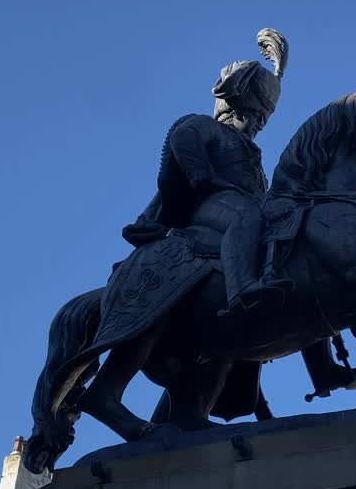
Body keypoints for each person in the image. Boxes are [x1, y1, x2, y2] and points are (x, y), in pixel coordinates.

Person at [122, 29, 290, 314]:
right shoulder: (207, 126)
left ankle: (321, 357)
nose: (258, 125)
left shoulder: (252, 153)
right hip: (208, 207)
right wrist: (203, 177)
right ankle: (241, 290)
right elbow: (182, 137)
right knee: (245, 216)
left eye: (262, 120)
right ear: (235, 110)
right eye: (254, 117)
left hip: (243, 205)